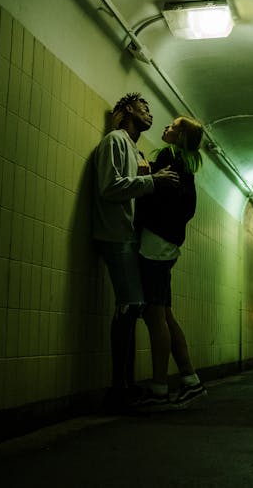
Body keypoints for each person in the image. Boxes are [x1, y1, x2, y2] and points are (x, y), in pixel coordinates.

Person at [92, 92, 179, 411]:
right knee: (130, 305)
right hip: (115, 233)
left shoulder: (135, 150)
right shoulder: (115, 140)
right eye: (144, 107)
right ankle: (118, 388)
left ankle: (125, 385)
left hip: (129, 236)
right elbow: (110, 187)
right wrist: (152, 181)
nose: (150, 114)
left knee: (135, 306)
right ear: (127, 110)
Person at [134, 116, 208, 409]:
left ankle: (159, 388)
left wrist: (145, 173)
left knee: (154, 316)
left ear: (181, 137)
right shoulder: (186, 164)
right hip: (168, 244)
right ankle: (190, 381)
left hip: (155, 242)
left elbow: (154, 196)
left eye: (173, 126)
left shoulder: (168, 157)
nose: (166, 127)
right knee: (164, 314)